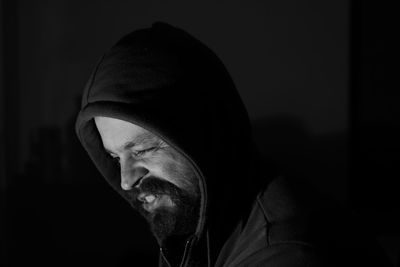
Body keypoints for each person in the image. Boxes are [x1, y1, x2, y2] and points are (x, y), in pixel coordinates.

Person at [75, 22, 391, 267]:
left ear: (202, 135)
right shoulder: (204, 222)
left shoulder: (286, 254)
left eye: (141, 150)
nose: (127, 180)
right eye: (116, 158)